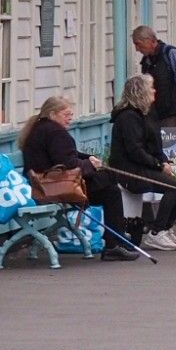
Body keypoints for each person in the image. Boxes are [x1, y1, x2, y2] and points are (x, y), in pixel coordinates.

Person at [20, 95, 137, 260]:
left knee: (108, 186)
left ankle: (116, 240)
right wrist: (92, 165)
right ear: (52, 114)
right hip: (55, 187)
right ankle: (114, 243)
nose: (70, 118)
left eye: (71, 115)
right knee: (111, 191)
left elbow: (66, 157)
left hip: (46, 184)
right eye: (66, 114)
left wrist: (88, 159)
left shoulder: (41, 128)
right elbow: (68, 164)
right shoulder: (54, 132)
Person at [108, 74, 176, 250]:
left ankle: (165, 227)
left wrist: (164, 161)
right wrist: (158, 165)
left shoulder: (147, 115)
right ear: (141, 92)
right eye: (151, 87)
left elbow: (155, 146)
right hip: (130, 171)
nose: (154, 90)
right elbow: (135, 150)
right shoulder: (128, 117)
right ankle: (156, 232)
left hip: (143, 167)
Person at [133, 25, 176, 134]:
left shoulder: (170, 53)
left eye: (138, 44)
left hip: (172, 116)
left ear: (150, 41)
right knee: (157, 150)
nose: (137, 49)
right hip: (154, 116)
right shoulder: (146, 61)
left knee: (173, 150)